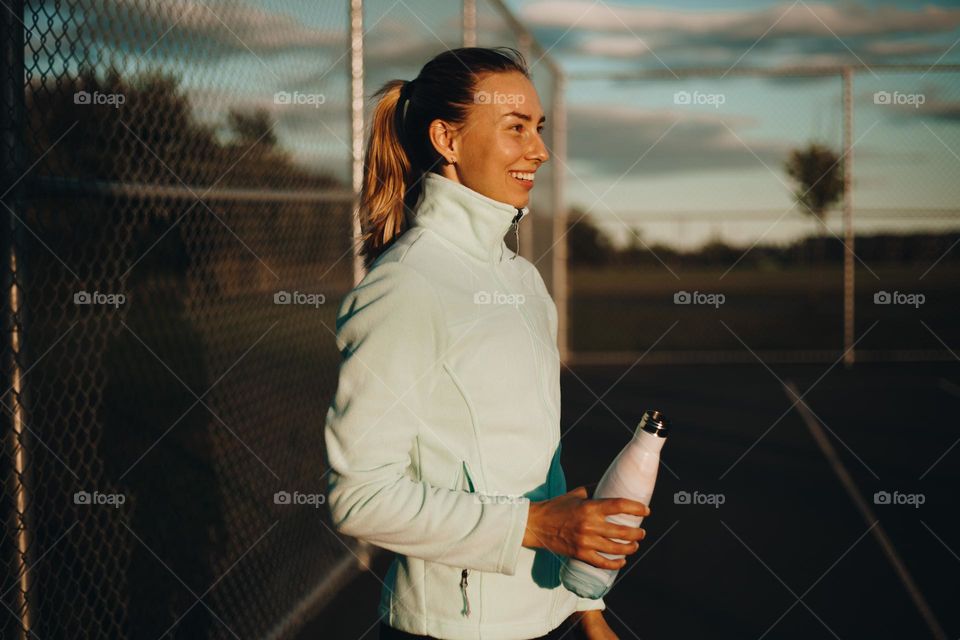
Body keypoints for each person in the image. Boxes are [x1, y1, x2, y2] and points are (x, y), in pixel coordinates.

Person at [323, 47, 650, 640]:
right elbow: (360, 497)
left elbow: (535, 468)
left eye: (540, 129)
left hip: (545, 617)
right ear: (447, 140)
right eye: (516, 128)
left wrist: (585, 610)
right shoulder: (407, 286)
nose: (540, 151)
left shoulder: (522, 280)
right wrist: (535, 526)